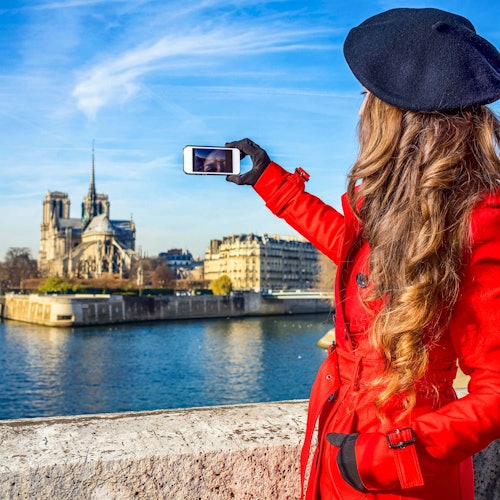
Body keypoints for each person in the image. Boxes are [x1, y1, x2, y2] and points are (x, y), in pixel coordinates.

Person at [226, 7, 500, 500]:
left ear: (403, 113)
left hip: (399, 469)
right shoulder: (389, 201)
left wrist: (387, 454)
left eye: (367, 97)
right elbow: (357, 258)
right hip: (342, 439)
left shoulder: (480, 219)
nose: (359, 111)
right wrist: (272, 182)